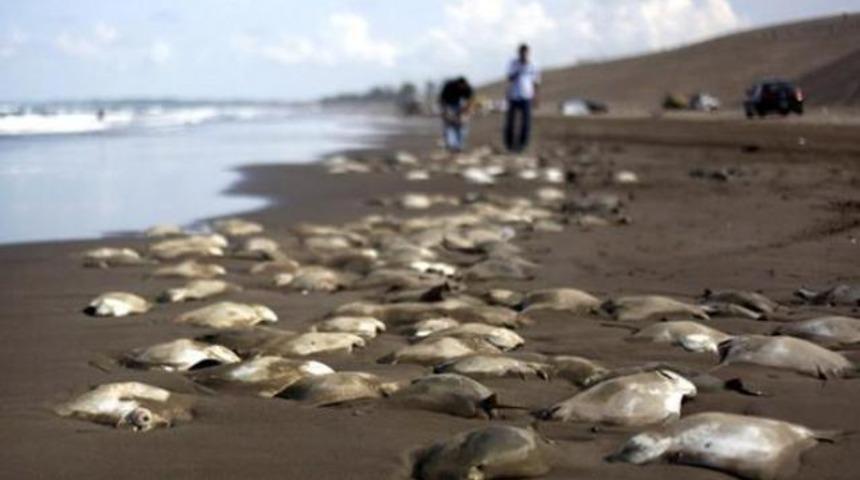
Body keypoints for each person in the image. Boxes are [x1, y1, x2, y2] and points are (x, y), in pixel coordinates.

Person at [504, 44, 540, 152]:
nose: (524, 55)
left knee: (526, 123)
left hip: (527, 96)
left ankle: (522, 145)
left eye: (526, 52)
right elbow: (509, 77)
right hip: (514, 96)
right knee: (510, 122)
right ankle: (509, 144)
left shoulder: (533, 65)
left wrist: (536, 97)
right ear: (519, 53)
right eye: (522, 53)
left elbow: (536, 82)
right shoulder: (513, 63)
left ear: (528, 53)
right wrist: (519, 69)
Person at [438, 76, 474, 153]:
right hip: (448, 105)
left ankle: (459, 145)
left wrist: (466, 111)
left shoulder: (467, 88)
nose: (462, 88)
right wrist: (445, 112)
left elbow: (470, 100)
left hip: (459, 105)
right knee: (449, 126)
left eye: (464, 86)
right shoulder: (449, 86)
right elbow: (442, 100)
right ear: (459, 84)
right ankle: (451, 144)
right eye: (461, 86)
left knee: (460, 126)